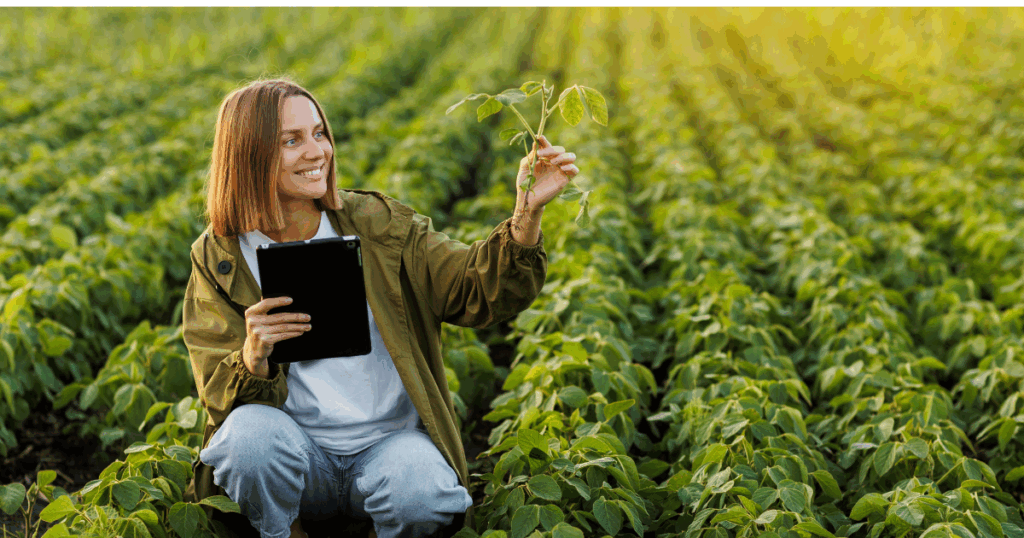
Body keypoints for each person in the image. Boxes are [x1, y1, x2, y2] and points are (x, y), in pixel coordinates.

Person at [181, 77, 580, 538]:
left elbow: (472, 288)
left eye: (319, 133)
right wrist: (253, 359)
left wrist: (526, 213)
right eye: (291, 141)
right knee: (248, 442)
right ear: (248, 154)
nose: (317, 152)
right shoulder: (221, 255)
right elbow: (217, 396)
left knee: (423, 495)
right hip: (299, 457)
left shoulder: (375, 224)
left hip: (389, 447)